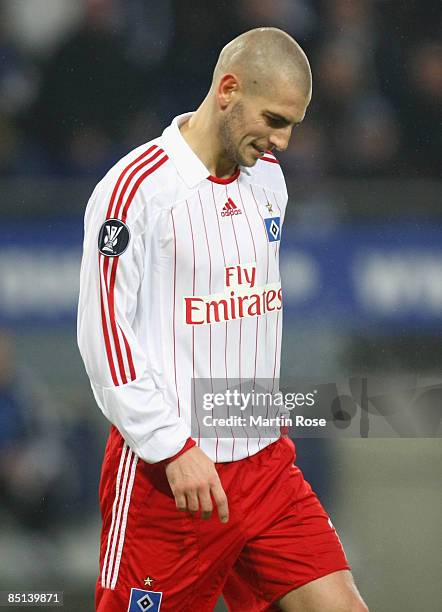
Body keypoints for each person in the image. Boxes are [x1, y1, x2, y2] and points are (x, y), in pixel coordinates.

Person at [78, 27, 368, 612]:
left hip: (265, 465)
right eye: (275, 119)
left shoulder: (269, 180)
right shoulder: (134, 193)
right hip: (172, 476)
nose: (284, 140)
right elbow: (103, 336)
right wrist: (170, 446)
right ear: (228, 89)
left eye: (294, 124)